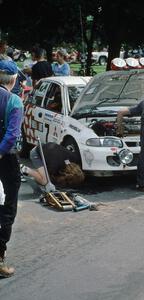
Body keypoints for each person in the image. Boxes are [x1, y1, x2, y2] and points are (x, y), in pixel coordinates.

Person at [0, 60, 24, 277]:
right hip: (5, 160)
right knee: (7, 208)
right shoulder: (14, 101)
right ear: (14, 79)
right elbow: (11, 136)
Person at [20, 142, 85, 188]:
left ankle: (37, 172)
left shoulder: (74, 159)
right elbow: (51, 180)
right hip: (36, 153)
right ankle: (24, 169)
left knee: (44, 175)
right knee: (45, 181)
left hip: (47, 148)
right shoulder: (54, 166)